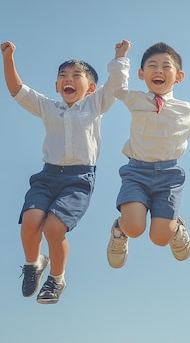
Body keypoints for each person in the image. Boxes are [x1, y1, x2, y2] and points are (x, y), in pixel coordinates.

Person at [3, 39, 126, 304]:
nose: (68, 79)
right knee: (31, 220)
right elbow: (17, 90)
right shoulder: (49, 107)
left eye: (75, 75)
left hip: (78, 179)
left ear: (91, 88)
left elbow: (115, 86)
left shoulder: (94, 105)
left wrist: (120, 57)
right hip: (47, 176)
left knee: (54, 228)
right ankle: (33, 263)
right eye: (62, 76)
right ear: (57, 86)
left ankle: (57, 279)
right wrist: (8, 57)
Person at [106, 41, 190, 269]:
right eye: (152, 66)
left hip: (169, 176)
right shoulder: (136, 99)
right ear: (141, 74)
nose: (159, 71)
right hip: (136, 172)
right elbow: (118, 88)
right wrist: (120, 57)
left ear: (179, 76)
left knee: (159, 238)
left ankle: (176, 229)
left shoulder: (183, 109)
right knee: (134, 228)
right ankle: (120, 229)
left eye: (166, 66)